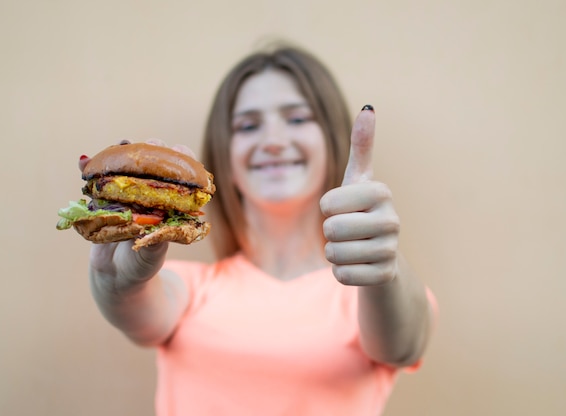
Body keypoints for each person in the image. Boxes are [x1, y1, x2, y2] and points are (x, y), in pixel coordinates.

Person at [79, 44, 436, 416]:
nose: (274, 141)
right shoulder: (187, 288)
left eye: (297, 119)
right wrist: (115, 285)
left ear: (331, 142)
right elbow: (139, 312)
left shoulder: (374, 290)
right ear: (225, 158)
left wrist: (383, 270)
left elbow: (404, 343)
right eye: (248, 126)